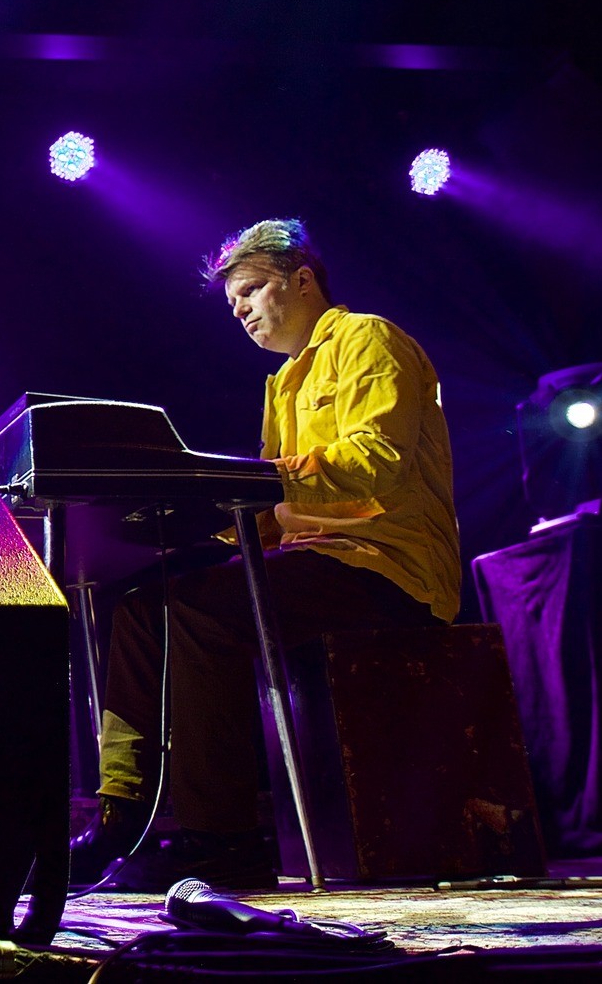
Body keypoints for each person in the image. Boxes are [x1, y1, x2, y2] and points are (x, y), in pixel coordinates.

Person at [69, 219, 460, 891]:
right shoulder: (281, 384)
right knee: (140, 606)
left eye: (250, 290)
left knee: (194, 612)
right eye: (233, 302)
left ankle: (221, 839)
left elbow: (377, 461)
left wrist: (247, 481)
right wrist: (189, 523)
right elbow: (275, 511)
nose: (241, 311)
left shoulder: (366, 337)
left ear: (302, 280)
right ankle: (123, 815)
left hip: (387, 565)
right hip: (314, 563)